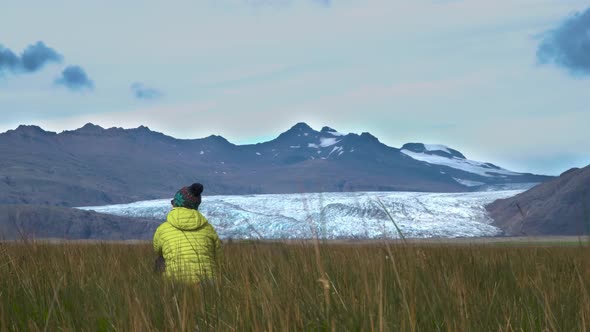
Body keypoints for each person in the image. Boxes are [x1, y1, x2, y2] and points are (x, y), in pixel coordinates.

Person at [153, 183, 222, 283]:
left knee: (160, 260)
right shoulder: (208, 228)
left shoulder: (163, 229)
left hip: (174, 283)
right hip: (208, 284)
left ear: (175, 204)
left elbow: (157, 250)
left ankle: (159, 289)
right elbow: (218, 255)